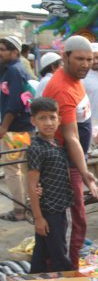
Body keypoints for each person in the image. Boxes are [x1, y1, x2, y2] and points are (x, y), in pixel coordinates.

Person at [42, 36, 98, 268]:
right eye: (79, 59)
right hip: (66, 164)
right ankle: (68, 269)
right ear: (64, 57)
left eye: (89, 59)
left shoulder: (76, 79)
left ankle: (68, 264)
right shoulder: (62, 88)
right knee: (73, 220)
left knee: (78, 220)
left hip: (75, 161)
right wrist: (83, 170)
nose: (85, 64)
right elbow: (71, 137)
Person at [26, 98, 73, 272]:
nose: (48, 123)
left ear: (59, 120)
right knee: (58, 252)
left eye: (52, 117)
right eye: (42, 118)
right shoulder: (37, 148)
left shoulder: (55, 144)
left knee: (43, 249)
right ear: (33, 121)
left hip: (58, 207)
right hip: (49, 210)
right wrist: (38, 218)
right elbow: (31, 185)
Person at [0, 35, 34, 222]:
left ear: (15, 52)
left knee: (13, 169)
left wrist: (4, 126)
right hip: (20, 128)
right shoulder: (9, 70)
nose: (0, 52)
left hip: (16, 129)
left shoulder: (14, 70)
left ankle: (19, 211)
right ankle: (25, 207)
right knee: (20, 168)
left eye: (3, 49)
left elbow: (14, 103)